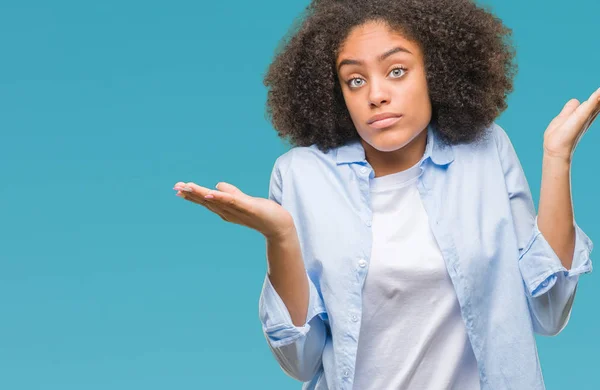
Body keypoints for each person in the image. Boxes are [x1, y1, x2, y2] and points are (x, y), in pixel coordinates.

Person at [173, 0, 599, 388]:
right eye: (355, 80)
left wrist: (556, 158)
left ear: (436, 71)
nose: (376, 95)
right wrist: (280, 236)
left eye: (396, 70)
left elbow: (550, 310)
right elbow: (300, 361)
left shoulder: (486, 152)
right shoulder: (301, 175)